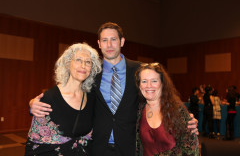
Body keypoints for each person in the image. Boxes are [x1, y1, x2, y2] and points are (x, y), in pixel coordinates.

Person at [29, 22, 199, 156]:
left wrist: (182, 118)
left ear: (122, 42)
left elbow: (157, 94)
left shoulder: (139, 70)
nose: (109, 44)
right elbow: (68, 94)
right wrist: (32, 104)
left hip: (130, 145)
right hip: (97, 146)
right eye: (104, 40)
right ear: (99, 44)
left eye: (113, 39)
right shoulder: (91, 72)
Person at [25, 43, 102, 155]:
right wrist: (31, 105)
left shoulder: (92, 97)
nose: (83, 66)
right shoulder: (50, 97)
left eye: (88, 62)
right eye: (78, 60)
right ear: (67, 64)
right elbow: (34, 144)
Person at [135, 63, 199, 156]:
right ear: (139, 85)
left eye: (154, 81)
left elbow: (191, 149)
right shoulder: (139, 110)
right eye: (144, 81)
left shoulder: (177, 110)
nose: (149, 86)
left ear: (162, 83)